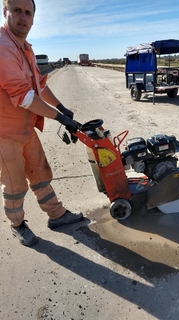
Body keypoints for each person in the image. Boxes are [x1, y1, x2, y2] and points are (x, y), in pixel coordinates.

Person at [0, 0, 83, 246]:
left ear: (34, 18)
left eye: (28, 12)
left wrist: (61, 107)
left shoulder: (25, 47)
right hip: (5, 133)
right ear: (6, 12)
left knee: (41, 172)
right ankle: (17, 225)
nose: (23, 17)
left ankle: (56, 215)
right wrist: (60, 118)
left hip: (25, 130)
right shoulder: (3, 47)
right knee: (15, 184)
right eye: (17, 11)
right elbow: (24, 96)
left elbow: (40, 86)